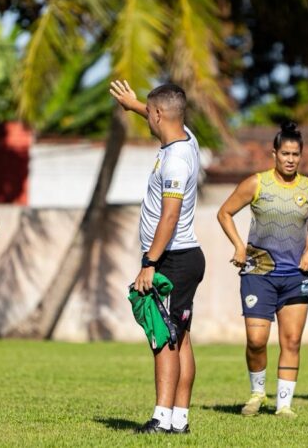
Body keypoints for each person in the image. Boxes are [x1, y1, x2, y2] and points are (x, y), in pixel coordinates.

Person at [217, 122, 308, 418]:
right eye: (285, 153)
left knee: (291, 340)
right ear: (275, 154)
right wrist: (239, 246)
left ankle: (284, 404)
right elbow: (225, 212)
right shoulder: (257, 183)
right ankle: (257, 393)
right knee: (256, 340)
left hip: (295, 276)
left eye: (296, 154)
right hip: (258, 273)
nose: (291, 159)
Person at [110, 80, 205, 434]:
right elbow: (164, 115)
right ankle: (179, 420)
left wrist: (149, 263)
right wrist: (134, 104)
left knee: (163, 338)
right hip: (184, 256)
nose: (147, 119)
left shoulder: (177, 161)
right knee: (180, 337)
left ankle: (162, 419)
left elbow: (170, 216)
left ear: (160, 115)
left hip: (172, 259)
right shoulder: (186, 140)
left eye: (149, 114)